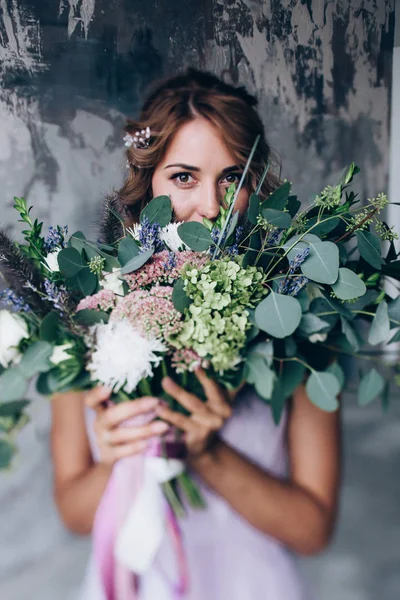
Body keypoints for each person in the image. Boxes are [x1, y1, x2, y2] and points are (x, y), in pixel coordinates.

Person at [51, 68, 341, 600]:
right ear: (147, 186)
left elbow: (313, 530)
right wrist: (119, 455)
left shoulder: (298, 328)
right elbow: (73, 513)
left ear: (254, 188)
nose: (211, 206)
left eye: (231, 178)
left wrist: (207, 452)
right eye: (184, 177)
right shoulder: (85, 317)